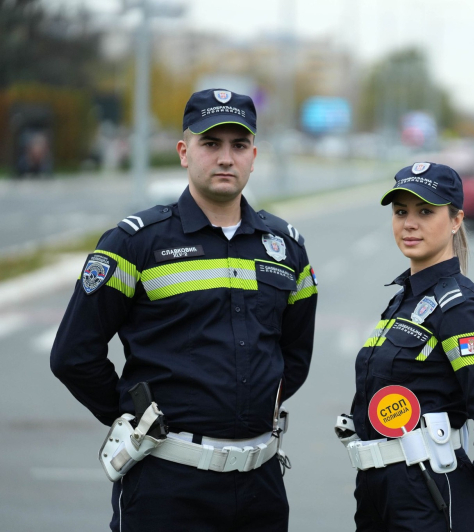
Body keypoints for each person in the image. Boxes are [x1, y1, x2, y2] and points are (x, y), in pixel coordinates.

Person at [50, 88, 318, 532]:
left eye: (238, 145)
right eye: (210, 144)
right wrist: (135, 415)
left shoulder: (285, 246)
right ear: (184, 152)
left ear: (254, 154)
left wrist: (244, 408)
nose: (225, 158)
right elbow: (73, 356)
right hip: (167, 485)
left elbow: (296, 356)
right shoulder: (135, 242)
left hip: (261, 486)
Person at [336, 162, 474, 531]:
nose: (409, 223)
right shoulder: (405, 298)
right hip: (379, 492)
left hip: (430, 498)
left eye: (425, 211)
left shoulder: (460, 307)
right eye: (401, 212)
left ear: (455, 220)